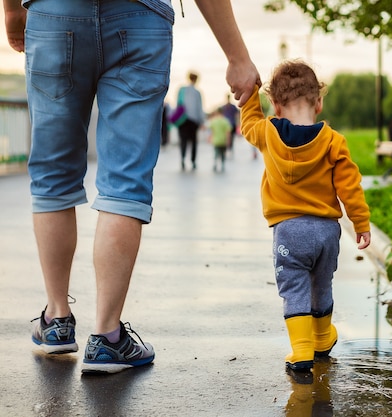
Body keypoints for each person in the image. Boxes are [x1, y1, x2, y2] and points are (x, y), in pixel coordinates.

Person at [3, 0, 260, 374]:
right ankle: (107, 338)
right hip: (140, 15)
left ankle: (57, 320)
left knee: (52, 174)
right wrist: (237, 56)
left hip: (54, 12)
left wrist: (12, 12)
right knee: (125, 180)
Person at [240, 60, 371, 373]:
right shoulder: (333, 141)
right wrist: (361, 223)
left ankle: (301, 350)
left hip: (289, 232)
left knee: (295, 288)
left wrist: (250, 94)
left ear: (275, 105)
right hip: (327, 232)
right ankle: (323, 337)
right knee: (321, 284)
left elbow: (248, 124)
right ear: (319, 102)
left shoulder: (267, 132)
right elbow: (349, 186)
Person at [176, 71, 205, 170]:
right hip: (193, 120)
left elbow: (178, 104)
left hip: (183, 120)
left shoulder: (182, 89)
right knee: (193, 142)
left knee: (183, 140)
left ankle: (183, 159)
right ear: (196, 80)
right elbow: (199, 107)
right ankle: (193, 161)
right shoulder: (197, 93)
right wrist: (202, 121)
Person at [207, 107, 232, 172]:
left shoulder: (214, 121)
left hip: (216, 141)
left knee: (216, 153)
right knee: (223, 154)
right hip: (223, 141)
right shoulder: (225, 121)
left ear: (217, 112)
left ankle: (215, 164)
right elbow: (228, 132)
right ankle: (223, 165)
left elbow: (212, 131)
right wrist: (228, 141)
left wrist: (210, 138)